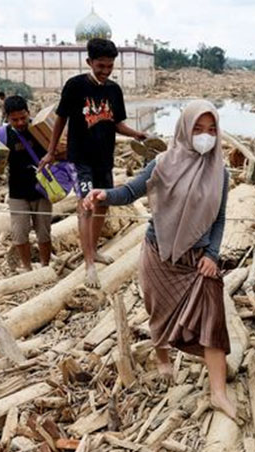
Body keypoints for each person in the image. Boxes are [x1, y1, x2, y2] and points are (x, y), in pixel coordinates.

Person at [82, 100, 235, 421]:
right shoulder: (162, 163)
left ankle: (218, 392)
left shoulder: (219, 171)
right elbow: (130, 191)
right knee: (159, 313)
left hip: (199, 261)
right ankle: (163, 356)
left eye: (211, 130)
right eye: (198, 129)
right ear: (184, 129)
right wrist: (103, 194)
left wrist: (212, 254)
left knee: (214, 323)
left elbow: (219, 220)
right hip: (159, 253)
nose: (205, 136)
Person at [40, 38, 148, 286]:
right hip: (81, 160)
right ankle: (88, 263)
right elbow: (60, 120)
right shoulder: (75, 86)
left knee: (102, 205)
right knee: (86, 206)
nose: (105, 71)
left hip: (104, 159)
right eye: (100, 66)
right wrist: (51, 151)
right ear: (89, 62)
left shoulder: (113, 90)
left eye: (109, 66)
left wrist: (136, 134)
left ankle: (94, 251)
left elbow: (116, 123)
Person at [0, 95, 52, 270]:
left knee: (44, 232)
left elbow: (57, 150)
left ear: (28, 113)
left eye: (23, 117)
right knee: (19, 233)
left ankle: (45, 266)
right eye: (15, 120)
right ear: (7, 118)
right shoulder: (1, 135)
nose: (20, 122)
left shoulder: (40, 129)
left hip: (42, 190)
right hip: (17, 192)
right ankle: (27, 268)